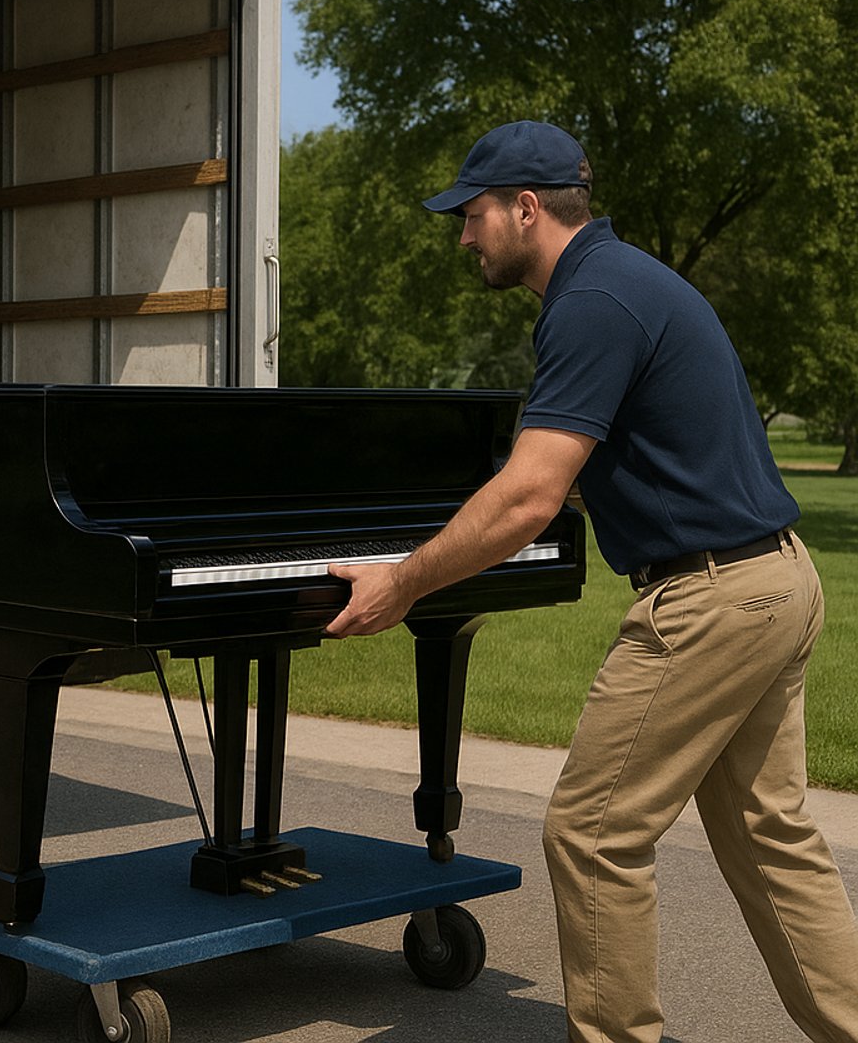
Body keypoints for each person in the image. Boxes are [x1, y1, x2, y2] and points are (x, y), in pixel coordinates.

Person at [326, 120, 858, 1043]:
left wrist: (406, 580)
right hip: (776, 581)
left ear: (527, 208)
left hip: (711, 602)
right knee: (773, 843)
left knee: (593, 834)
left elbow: (532, 494)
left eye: (473, 213)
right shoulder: (625, 281)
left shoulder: (593, 302)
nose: (463, 235)